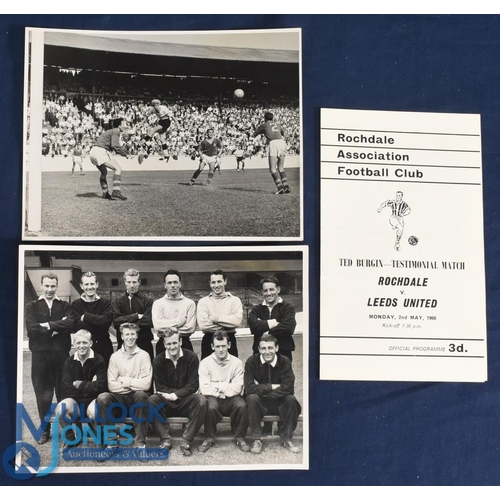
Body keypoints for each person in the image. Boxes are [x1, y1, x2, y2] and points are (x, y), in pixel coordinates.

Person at [25, 272, 73, 444]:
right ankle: (45, 431)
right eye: (47, 286)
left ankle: (67, 431)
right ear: (41, 285)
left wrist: (48, 325)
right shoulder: (32, 306)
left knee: (64, 392)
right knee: (43, 395)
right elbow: (31, 329)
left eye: (53, 286)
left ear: (57, 286)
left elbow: (71, 324)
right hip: (41, 356)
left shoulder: (65, 305)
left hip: (61, 355)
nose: (50, 289)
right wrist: (56, 329)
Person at [94, 323, 152, 453]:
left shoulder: (144, 355)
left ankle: (140, 445)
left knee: (141, 395)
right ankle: (111, 443)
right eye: (127, 334)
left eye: (133, 334)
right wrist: (134, 383)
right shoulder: (115, 357)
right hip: (119, 399)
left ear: (137, 336)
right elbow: (112, 386)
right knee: (103, 397)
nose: (130, 337)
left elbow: (146, 384)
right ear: (122, 336)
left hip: (137, 399)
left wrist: (124, 381)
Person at [148, 331, 206, 457]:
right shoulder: (158, 360)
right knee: (152, 400)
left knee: (201, 400)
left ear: (180, 342)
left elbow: (193, 385)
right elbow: (160, 387)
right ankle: (165, 439)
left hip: (185, 400)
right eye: (169, 343)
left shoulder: (191, 357)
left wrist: (175, 395)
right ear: (164, 344)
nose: (172, 346)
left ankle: (186, 440)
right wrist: (170, 396)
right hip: (166, 401)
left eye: (175, 342)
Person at [244, 334, 301, 454]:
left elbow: (288, 388)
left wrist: (263, 391)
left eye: (270, 348)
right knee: (251, 398)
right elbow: (249, 388)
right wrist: (271, 387)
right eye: (263, 348)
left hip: (280, 402)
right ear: (259, 349)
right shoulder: (252, 361)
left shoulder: (284, 361)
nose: (267, 352)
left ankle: (286, 438)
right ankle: (256, 439)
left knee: (291, 399)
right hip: (261, 403)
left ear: (277, 348)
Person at [198, 331, 250, 453]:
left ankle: (240, 437)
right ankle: (209, 437)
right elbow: (204, 388)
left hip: (231, 398)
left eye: (223, 346)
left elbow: (238, 387)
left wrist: (217, 386)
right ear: (212, 347)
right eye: (217, 346)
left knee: (241, 406)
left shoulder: (236, 362)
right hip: (213, 397)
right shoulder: (205, 363)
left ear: (229, 345)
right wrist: (223, 390)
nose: (221, 349)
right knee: (210, 407)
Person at [54, 330, 107, 449]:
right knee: (60, 409)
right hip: (75, 402)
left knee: (95, 412)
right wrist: (89, 385)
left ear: (91, 343)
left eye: (85, 342)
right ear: (73, 344)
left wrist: (78, 384)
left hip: (93, 400)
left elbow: (100, 386)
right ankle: (71, 438)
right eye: (78, 343)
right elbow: (66, 388)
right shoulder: (69, 362)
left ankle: (99, 439)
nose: (81, 346)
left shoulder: (99, 360)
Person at [196, 269, 243, 359]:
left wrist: (215, 319)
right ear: (210, 283)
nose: (216, 285)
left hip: (229, 340)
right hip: (209, 341)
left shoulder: (235, 300)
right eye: (213, 282)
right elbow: (203, 325)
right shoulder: (203, 302)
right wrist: (227, 324)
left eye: (219, 281)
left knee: (231, 370)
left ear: (225, 281)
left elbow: (236, 322)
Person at [70, 272, 114, 366]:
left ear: (97, 284)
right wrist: (99, 321)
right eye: (86, 284)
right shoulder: (76, 304)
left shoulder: (105, 303)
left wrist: (86, 317)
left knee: (104, 378)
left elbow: (106, 322)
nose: (89, 287)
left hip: (104, 347)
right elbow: (77, 326)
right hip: (84, 348)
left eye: (92, 284)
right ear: (81, 286)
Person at [248, 276, 297, 361]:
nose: (268, 293)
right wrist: (274, 323)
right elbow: (253, 325)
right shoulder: (257, 309)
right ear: (262, 292)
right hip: (260, 353)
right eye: (265, 290)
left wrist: (264, 329)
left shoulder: (288, 307)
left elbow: (288, 327)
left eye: (271, 289)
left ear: (278, 289)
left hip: (283, 352)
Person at [112, 269, 154, 360]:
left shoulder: (147, 300)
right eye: (129, 282)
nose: (132, 285)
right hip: (123, 345)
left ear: (139, 282)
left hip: (144, 344)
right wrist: (136, 316)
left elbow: (148, 321)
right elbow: (116, 321)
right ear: (125, 282)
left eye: (134, 282)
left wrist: (124, 321)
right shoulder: (117, 301)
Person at [151, 270, 196, 355]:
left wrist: (167, 327)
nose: (173, 286)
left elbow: (190, 328)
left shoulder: (189, 303)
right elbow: (158, 326)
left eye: (175, 282)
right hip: (163, 344)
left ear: (180, 284)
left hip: (184, 343)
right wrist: (179, 322)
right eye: (169, 283)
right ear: (165, 285)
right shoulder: (158, 304)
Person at [88, 117, 129, 200]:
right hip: (100, 151)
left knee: (104, 172)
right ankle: (116, 191)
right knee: (118, 169)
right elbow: (115, 146)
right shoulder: (116, 131)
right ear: (120, 125)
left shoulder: (111, 131)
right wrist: (125, 154)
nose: (126, 125)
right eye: (124, 123)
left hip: (93, 152)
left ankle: (105, 193)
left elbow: (113, 146)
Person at [254, 112, 291, 194]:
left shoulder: (264, 124)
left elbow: (255, 133)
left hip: (273, 143)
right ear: (272, 118)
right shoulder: (277, 124)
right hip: (282, 142)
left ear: (265, 118)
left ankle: (280, 187)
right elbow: (283, 133)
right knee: (281, 167)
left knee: (272, 169)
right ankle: (286, 186)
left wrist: (260, 133)